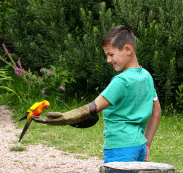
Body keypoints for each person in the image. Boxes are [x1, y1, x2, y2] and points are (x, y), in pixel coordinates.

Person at [31, 25, 161, 163]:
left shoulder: (121, 81)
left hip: (120, 148)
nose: (108, 60)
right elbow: (157, 111)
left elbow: (93, 108)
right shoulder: (146, 76)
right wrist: (147, 144)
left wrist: (62, 118)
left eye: (111, 54)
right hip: (139, 145)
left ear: (128, 49)